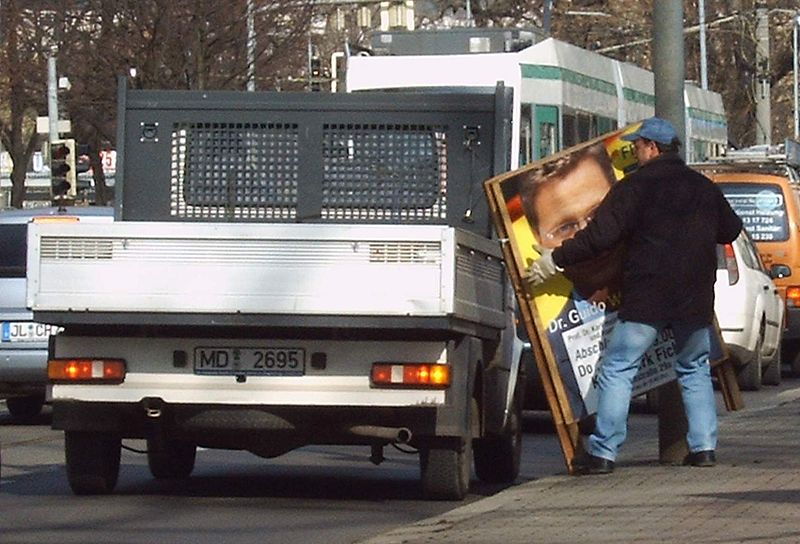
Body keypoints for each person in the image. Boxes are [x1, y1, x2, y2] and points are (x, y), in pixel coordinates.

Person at [527, 116, 743, 475]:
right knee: (694, 369)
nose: (634, 152)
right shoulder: (701, 187)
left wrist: (556, 260)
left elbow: (600, 237)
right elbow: (730, 229)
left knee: (617, 369)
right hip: (694, 298)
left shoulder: (635, 188)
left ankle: (604, 453)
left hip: (648, 297)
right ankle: (704, 448)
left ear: (652, 148)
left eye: (637, 146)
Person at [518, 142, 626, 420]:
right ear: (540, 240)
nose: (587, 239)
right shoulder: (553, 346)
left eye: (598, 215)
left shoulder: (661, 297)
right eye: (565, 227)